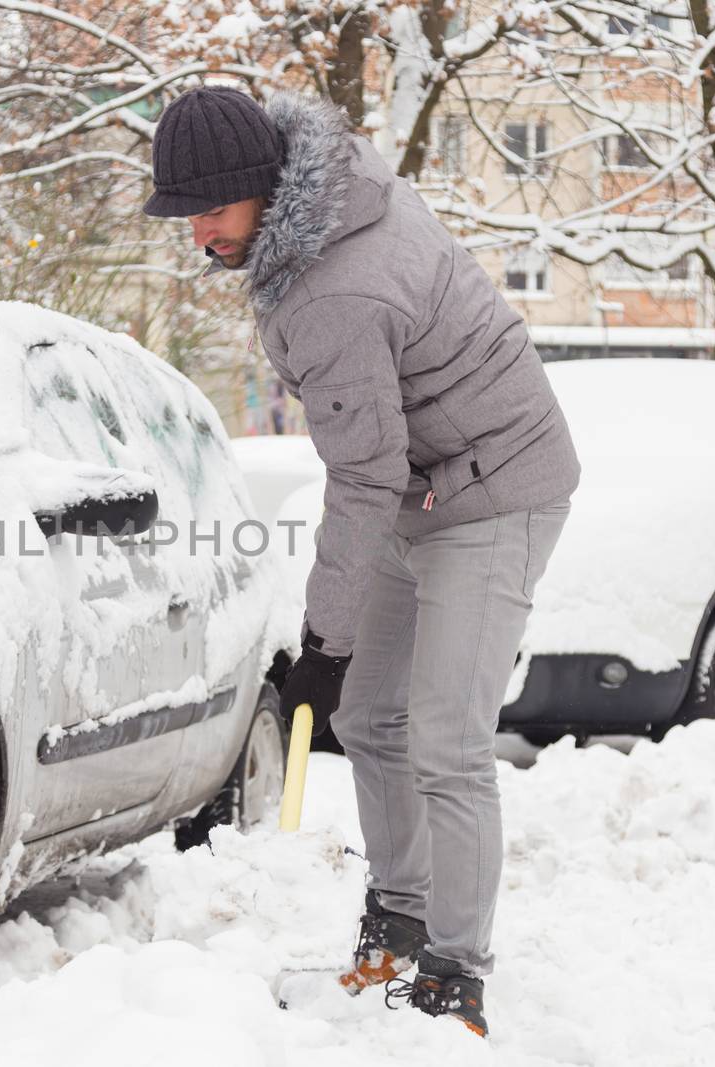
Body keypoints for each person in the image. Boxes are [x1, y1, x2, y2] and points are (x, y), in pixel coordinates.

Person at [143, 85, 581, 1038]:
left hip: (499, 487)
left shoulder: (335, 285)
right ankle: (402, 917)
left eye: (210, 210)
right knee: (370, 716)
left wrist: (323, 640)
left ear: (261, 186)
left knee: (447, 739)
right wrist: (335, 661)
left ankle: (455, 976)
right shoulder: (316, 220)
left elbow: (361, 473)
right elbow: (377, 461)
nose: (197, 234)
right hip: (426, 479)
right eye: (185, 215)